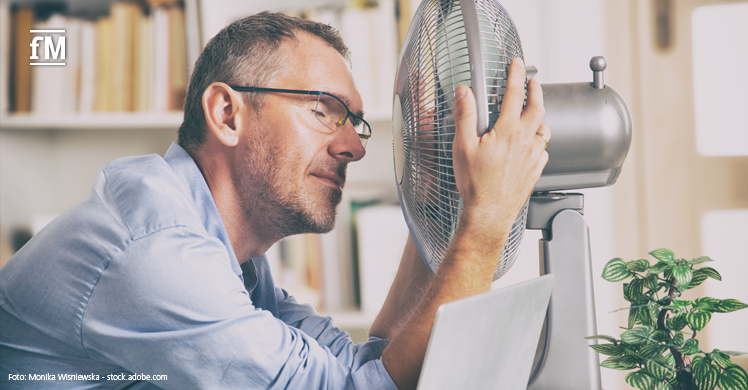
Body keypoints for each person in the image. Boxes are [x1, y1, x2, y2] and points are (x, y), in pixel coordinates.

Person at [0, 11, 549, 390]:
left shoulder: (228, 257)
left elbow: (368, 366)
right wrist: (485, 220)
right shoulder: (158, 256)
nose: (355, 145)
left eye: (355, 121)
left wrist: (438, 200)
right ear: (226, 115)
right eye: (323, 110)